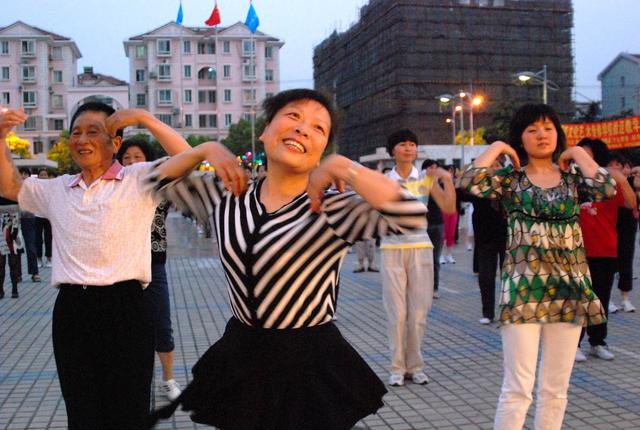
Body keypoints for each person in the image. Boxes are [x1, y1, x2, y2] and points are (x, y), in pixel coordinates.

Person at [147, 89, 428, 430]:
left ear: (322, 149)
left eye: (318, 128)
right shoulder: (227, 195)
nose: (303, 129)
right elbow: (155, 180)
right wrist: (203, 148)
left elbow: (413, 216)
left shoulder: (331, 207)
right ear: (266, 130)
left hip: (308, 361)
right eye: (293, 116)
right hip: (242, 353)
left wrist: (345, 166)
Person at [0, 104, 190, 429]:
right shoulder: (58, 189)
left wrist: (144, 118)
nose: (82, 139)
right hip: (73, 312)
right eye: (76, 132)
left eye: (93, 131)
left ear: (115, 143)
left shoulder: (138, 179)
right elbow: (10, 187)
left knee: (127, 414)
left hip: (127, 309)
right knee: (82, 414)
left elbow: (189, 157)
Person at [460, 104, 615, 430]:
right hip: (522, 291)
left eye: (547, 127)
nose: (541, 134)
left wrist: (577, 152)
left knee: (555, 390)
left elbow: (607, 188)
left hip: (569, 290)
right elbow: (470, 181)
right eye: (531, 129)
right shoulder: (510, 180)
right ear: (522, 138)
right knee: (517, 389)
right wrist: (498, 147)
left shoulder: (574, 180)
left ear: (557, 133)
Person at [381, 130, 456, 387]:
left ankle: (415, 366)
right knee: (396, 313)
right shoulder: (383, 180)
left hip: (421, 248)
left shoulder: (425, 179)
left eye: (413, 144)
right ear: (393, 150)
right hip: (391, 249)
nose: (408, 148)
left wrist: (446, 180)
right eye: (403, 144)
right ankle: (397, 368)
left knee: (418, 313)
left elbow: (448, 207)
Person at [116, 138, 182, 400]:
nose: (132, 162)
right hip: (121, 268)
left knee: (161, 325)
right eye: (127, 158)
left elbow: (184, 158)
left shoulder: (160, 186)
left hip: (154, 265)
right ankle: (131, 381)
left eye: (138, 157)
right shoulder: (114, 189)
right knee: (125, 329)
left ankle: (167, 379)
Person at [574, 139, 637, 362]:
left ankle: (597, 341)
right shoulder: (570, 181)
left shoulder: (608, 182)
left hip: (605, 249)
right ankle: (574, 344)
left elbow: (630, 205)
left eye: (588, 156)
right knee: (580, 299)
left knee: (600, 299)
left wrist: (622, 179)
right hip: (576, 251)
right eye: (580, 155)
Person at [466, 158, 507, 325]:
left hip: (507, 236)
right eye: (491, 166)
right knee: (486, 276)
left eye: (497, 166)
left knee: (508, 276)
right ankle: (488, 312)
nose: (494, 169)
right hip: (485, 237)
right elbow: (463, 189)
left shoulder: (508, 185)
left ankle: (507, 311)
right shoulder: (478, 187)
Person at [608, 154, 638, 313]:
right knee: (610, 266)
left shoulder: (631, 183)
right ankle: (608, 300)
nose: (616, 168)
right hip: (609, 229)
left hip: (628, 229)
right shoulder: (603, 185)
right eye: (612, 164)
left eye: (619, 165)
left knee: (626, 263)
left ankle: (625, 299)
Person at [421, 159, 444, 299]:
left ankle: (434, 287)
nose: (434, 170)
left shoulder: (441, 185)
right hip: (423, 226)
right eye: (431, 167)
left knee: (435, 259)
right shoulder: (419, 186)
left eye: (436, 168)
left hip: (438, 224)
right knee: (422, 260)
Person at [18, 168, 40, 282]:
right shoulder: (13, 187)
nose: (23, 176)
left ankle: (34, 272)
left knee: (31, 246)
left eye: (25, 174)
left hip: (29, 218)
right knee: (16, 247)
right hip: (15, 220)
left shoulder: (32, 188)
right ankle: (17, 274)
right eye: (21, 173)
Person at [0, 197, 22, 298]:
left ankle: (14, 288)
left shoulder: (12, 191)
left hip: (14, 229)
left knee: (13, 263)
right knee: (2, 264)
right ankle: (2, 289)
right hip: (2, 231)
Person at [34, 168, 52, 268]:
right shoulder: (35, 187)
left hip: (48, 216)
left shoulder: (51, 187)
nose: (44, 176)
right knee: (38, 239)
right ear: (38, 176)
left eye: (45, 175)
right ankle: (39, 259)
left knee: (48, 238)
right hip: (37, 215)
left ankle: (49, 258)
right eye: (42, 175)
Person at [441, 165, 459, 264]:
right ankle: (441, 255)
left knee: (451, 234)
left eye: (451, 172)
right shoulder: (439, 184)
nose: (450, 174)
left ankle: (448, 255)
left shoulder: (455, 184)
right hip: (442, 211)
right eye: (448, 171)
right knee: (443, 234)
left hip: (453, 211)